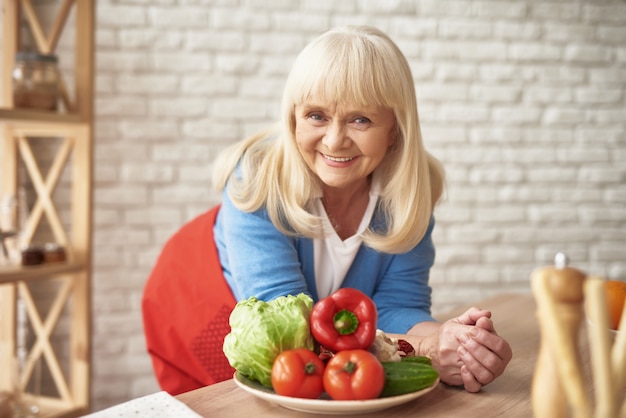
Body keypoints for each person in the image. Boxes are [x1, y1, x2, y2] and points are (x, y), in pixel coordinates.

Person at [210, 25, 512, 393]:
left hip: (322, 357)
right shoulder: (256, 177)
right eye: (316, 116)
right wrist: (425, 350)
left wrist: (455, 341)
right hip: (205, 318)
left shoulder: (409, 190)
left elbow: (397, 307)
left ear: (394, 130)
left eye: (361, 119)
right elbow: (285, 325)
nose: (335, 140)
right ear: (293, 118)